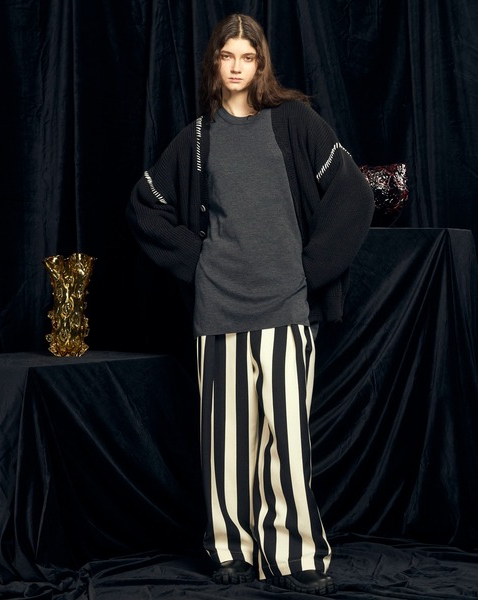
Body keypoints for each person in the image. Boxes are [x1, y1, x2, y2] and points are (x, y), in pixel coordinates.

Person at [127, 13, 374, 596]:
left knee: (287, 440)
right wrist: (200, 261)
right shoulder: (196, 139)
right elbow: (145, 205)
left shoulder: (292, 121)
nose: (236, 67)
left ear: (261, 64)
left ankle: (296, 554)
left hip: (285, 307)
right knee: (227, 443)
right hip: (219, 311)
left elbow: (353, 193)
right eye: (227, 56)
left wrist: (308, 271)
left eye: (247, 57)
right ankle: (231, 549)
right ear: (214, 63)